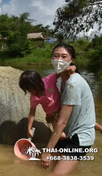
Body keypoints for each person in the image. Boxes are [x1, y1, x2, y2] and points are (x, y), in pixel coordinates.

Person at [41, 43, 97, 175]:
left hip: (79, 138)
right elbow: (82, 113)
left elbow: (62, 122)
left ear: (72, 60)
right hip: (66, 133)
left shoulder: (73, 84)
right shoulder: (59, 81)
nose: (59, 59)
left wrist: (47, 151)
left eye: (64, 56)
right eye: (56, 56)